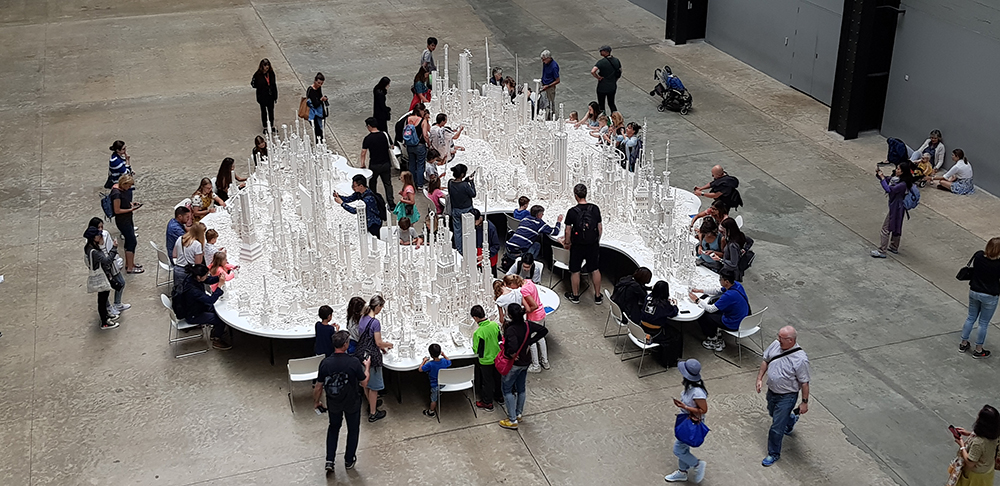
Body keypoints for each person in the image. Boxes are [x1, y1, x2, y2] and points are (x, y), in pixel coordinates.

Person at [313, 330, 369, 473]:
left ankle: (330, 460)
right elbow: (364, 383)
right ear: (345, 345)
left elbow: (318, 386)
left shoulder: (325, 363)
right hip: (352, 402)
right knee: (353, 430)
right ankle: (349, 459)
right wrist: (367, 368)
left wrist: (317, 402)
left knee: (333, 428)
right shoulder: (353, 362)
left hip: (334, 402)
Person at [756, 325, 810, 467]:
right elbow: (766, 360)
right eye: (778, 336)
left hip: (787, 396)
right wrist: (759, 378)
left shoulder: (800, 359)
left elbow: (804, 383)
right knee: (772, 412)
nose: (778, 339)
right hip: (772, 392)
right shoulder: (775, 345)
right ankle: (790, 419)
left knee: (776, 427)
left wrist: (804, 402)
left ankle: (773, 453)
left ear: (791, 340)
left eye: (781, 338)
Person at [498, 303, 549, 430]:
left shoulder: (511, 330)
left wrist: (510, 353)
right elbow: (544, 330)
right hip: (525, 362)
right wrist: (530, 341)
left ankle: (512, 419)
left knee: (507, 389)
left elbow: (512, 347)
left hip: (514, 363)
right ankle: (518, 413)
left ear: (509, 315)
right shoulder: (528, 325)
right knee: (521, 388)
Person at [664, 359, 708, 483]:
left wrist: (685, 407)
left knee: (678, 449)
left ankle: (697, 464)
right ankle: (682, 472)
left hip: (692, 423)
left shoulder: (697, 392)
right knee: (683, 449)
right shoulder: (691, 387)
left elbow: (703, 409)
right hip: (686, 420)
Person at [173, 263, 232, 350]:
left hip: (198, 307)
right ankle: (217, 339)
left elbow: (207, 280)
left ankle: (217, 331)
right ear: (198, 277)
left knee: (219, 312)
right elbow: (210, 300)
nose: (207, 276)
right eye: (205, 275)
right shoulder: (193, 291)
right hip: (194, 314)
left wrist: (219, 277)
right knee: (220, 319)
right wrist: (219, 286)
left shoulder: (192, 278)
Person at [958, 237, 1000, 359]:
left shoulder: (979, 256)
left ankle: (963, 343)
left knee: (970, 317)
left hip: (974, 291)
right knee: (983, 323)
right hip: (990, 295)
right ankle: (979, 349)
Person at [689, 268, 750, 351]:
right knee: (713, 307)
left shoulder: (729, 295)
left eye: (720, 279)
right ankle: (716, 334)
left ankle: (713, 339)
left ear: (726, 282)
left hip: (734, 323)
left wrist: (697, 300)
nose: (719, 281)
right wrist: (700, 290)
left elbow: (710, 309)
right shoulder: (736, 285)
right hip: (744, 318)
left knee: (703, 315)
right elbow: (718, 291)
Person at [562, 184, 603, 305]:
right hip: (592, 244)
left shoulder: (572, 211)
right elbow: (599, 227)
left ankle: (575, 296)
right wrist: (597, 241)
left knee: (575, 271)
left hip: (577, 245)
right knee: (595, 269)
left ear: (575, 196)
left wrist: (567, 243)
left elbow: (567, 230)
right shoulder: (595, 208)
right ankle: (597, 296)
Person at [355, 295, 393, 422]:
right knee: (374, 386)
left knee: (366, 383)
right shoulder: (375, 323)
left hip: (362, 353)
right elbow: (378, 342)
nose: (381, 310)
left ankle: (372, 404)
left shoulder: (363, 317)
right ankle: (373, 412)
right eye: (381, 307)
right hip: (372, 357)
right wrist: (388, 345)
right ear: (377, 306)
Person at [870, 161, 917, 258]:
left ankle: (882, 250)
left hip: (896, 207)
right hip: (899, 207)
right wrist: (880, 175)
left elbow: (889, 189)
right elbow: (887, 179)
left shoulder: (902, 184)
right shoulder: (897, 180)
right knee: (896, 226)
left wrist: (882, 178)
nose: (896, 170)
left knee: (886, 228)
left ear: (903, 172)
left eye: (899, 169)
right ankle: (894, 246)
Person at [88, 218, 129, 317]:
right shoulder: (91, 242)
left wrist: (117, 259)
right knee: (104, 289)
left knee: (121, 283)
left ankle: (117, 303)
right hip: (102, 269)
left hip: (112, 264)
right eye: (98, 227)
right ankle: (108, 308)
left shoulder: (105, 234)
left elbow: (111, 247)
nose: (101, 229)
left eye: (102, 227)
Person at [951, 405, 1000, 486]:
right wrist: (969, 434)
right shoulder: (996, 433)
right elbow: (987, 439)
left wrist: (962, 445)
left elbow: (970, 463)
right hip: (988, 471)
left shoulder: (978, 443)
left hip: (975, 476)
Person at [638, 281, 684, 366]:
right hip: (655, 333)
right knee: (677, 335)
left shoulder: (648, 297)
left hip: (641, 328)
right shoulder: (664, 305)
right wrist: (675, 305)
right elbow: (674, 312)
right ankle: (671, 360)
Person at [83, 226, 120, 330]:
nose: (100, 236)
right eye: (98, 235)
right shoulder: (94, 251)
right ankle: (105, 322)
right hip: (102, 275)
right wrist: (114, 248)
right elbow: (107, 260)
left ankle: (106, 316)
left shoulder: (88, 248)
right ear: (94, 238)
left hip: (102, 273)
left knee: (103, 298)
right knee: (102, 299)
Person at [510, 274, 549, 372]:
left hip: (534, 316)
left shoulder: (523, 290)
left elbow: (533, 306)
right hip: (541, 313)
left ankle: (536, 365)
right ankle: (545, 361)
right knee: (540, 338)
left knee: (531, 341)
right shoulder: (529, 281)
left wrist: (522, 312)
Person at [471, 305, 503, 412]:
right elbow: (500, 339)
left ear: (475, 318)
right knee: (498, 378)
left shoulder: (478, 333)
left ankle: (487, 402)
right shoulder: (494, 325)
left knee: (487, 382)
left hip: (486, 361)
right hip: (497, 358)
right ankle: (499, 396)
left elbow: (477, 350)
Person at [359, 117, 395, 209]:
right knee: (387, 183)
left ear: (369, 126)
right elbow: (391, 146)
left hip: (374, 164)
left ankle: (374, 201)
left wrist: (363, 164)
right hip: (386, 163)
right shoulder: (384, 135)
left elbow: (363, 152)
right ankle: (391, 203)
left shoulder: (368, 138)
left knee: (373, 183)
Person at [111, 174, 143, 274]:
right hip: (123, 221)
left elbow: (123, 203)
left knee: (130, 242)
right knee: (131, 241)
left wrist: (131, 204)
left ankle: (130, 263)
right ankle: (130, 267)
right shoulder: (116, 194)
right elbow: (117, 210)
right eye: (128, 186)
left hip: (127, 219)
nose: (129, 188)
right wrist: (130, 209)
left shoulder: (120, 190)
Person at [448, 164, 476, 250]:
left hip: (455, 210)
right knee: (468, 231)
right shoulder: (465, 186)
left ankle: (459, 249)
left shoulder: (450, 183)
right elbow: (473, 194)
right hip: (466, 210)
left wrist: (465, 181)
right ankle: (468, 248)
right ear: (462, 174)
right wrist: (471, 182)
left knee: (457, 231)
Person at [419, 344, 452, 418]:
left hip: (435, 385)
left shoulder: (430, 364)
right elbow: (449, 362)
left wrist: (424, 361)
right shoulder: (444, 361)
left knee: (433, 399)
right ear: (440, 352)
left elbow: (420, 369)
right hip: (443, 383)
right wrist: (444, 355)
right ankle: (440, 393)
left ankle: (431, 411)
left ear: (430, 355)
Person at [404, 105, 430, 188]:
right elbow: (425, 135)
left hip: (409, 145)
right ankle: (419, 184)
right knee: (420, 165)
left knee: (411, 164)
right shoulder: (423, 121)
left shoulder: (408, 119)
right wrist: (429, 144)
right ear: (421, 111)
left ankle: (411, 182)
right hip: (420, 146)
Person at [592, 45, 622, 114]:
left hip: (602, 86)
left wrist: (598, 77)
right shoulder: (616, 60)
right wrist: (614, 80)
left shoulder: (601, 62)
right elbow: (619, 72)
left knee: (601, 105)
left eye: (601, 51)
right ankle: (615, 118)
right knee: (611, 103)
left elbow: (593, 71)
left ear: (606, 52)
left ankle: (603, 120)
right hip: (612, 86)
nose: (600, 52)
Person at [250, 58, 278, 133]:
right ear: (262, 66)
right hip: (262, 96)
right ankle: (265, 126)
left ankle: (272, 125)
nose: (267, 67)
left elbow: (274, 85)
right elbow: (253, 84)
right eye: (265, 65)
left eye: (268, 65)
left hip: (270, 96)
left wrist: (275, 96)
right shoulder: (258, 74)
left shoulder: (271, 73)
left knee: (271, 111)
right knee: (264, 112)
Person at [306, 73, 328, 143]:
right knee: (317, 131)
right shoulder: (311, 90)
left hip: (320, 113)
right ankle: (318, 145)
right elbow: (315, 104)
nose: (319, 85)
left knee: (321, 131)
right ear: (315, 81)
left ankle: (320, 145)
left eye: (321, 83)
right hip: (314, 114)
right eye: (318, 83)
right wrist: (321, 100)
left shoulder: (319, 88)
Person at [539, 50, 560, 119]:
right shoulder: (545, 63)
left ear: (549, 58)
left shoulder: (554, 67)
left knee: (550, 103)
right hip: (544, 85)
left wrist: (548, 86)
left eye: (544, 59)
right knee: (542, 101)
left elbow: (557, 80)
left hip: (549, 87)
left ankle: (551, 117)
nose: (543, 61)